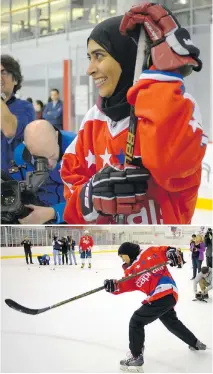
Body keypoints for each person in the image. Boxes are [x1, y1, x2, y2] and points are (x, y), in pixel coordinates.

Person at [61, 4, 207, 225]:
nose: (89, 69)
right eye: (89, 57)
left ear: (126, 55)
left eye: (99, 56)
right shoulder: (93, 119)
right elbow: (71, 186)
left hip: (160, 251)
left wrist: (162, 74)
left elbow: (171, 166)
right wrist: (87, 198)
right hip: (109, 252)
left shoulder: (179, 107)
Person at [104, 242, 206, 371]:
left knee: (136, 321)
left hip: (165, 292)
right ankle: (195, 343)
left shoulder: (150, 252)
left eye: (122, 256)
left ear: (129, 253)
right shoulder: (131, 272)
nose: (122, 259)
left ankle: (136, 356)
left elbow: (167, 250)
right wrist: (113, 286)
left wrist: (172, 252)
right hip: (164, 297)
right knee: (171, 323)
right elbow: (122, 286)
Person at [11, 119, 76, 224]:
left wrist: (54, 212)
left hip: (73, 217)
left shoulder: (78, 145)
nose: (49, 164)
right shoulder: (20, 154)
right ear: (27, 147)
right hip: (38, 219)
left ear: (56, 136)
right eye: (40, 158)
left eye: (52, 156)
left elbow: (88, 196)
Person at [1, 55, 35, 175]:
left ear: (15, 79)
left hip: (12, 179)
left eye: (3, 72)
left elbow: (10, 130)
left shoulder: (25, 107)